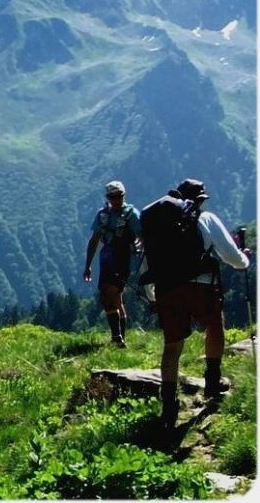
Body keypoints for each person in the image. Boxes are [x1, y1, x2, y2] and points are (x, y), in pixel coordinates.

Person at [141, 179, 250, 427]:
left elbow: (149, 263)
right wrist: (245, 261)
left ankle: (169, 408)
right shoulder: (206, 219)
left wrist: (152, 295)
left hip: (167, 289)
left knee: (172, 347)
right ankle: (212, 382)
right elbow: (233, 258)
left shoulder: (159, 225)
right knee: (214, 326)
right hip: (201, 287)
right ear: (199, 200)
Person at [83, 180, 142, 347]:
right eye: (112, 197)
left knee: (112, 291)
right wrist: (87, 265)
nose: (116, 200)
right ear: (107, 197)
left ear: (123, 196)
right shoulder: (103, 216)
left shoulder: (131, 214)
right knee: (109, 296)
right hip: (107, 256)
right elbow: (94, 240)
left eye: (119, 196)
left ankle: (118, 337)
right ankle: (118, 338)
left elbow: (141, 235)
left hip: (124, 257)